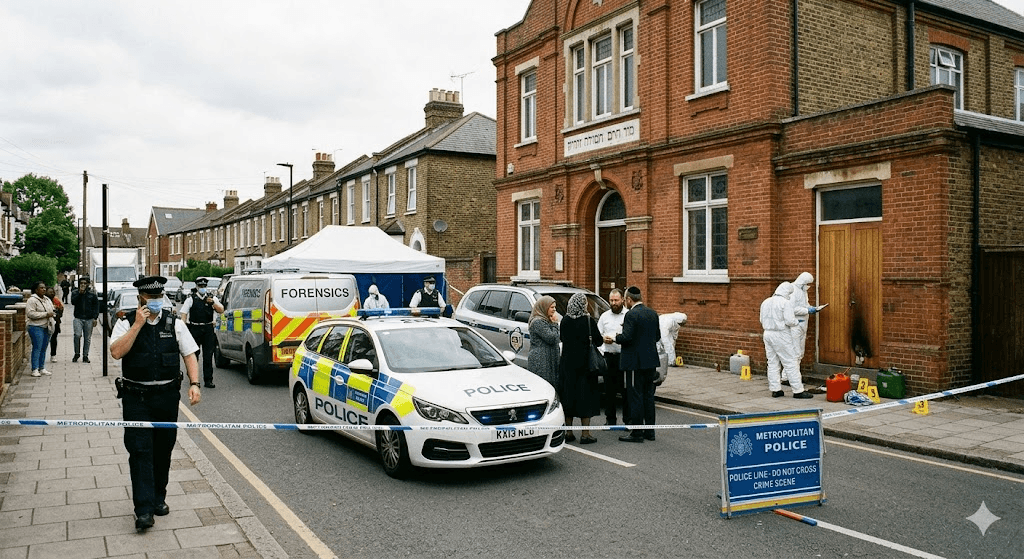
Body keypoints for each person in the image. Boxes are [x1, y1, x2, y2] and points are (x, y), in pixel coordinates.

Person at [110, 275, 201, 532]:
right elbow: (116, 352)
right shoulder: (125, 322)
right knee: (140, 452)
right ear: (141, 298)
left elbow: (189, 353)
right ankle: (144, 510)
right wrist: (137, 325)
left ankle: (158, 498)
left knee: (163, 449)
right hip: (136, 398)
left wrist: (195, 384)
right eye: (151, 298)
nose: (156, 302)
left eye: (159, 297)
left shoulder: (174, 323)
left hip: (166, 397)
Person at [606, 286, 660, 443]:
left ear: (629, 299)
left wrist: (616, 337)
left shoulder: (631, 314)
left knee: (635, 396)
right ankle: (650, 432)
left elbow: (627, 337)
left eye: (625, 300)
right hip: (650, 362)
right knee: (649, 397)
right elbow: (657, 336)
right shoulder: (652, 313)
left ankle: (637, 432)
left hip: (634, 363)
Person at [559, 293, 603, 444]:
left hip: (567, 366)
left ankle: (568, 432)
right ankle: (585, 434)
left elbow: (562, 339)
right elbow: (599, 340)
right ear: (583, 305)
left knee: (568, 398)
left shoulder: (564, 320)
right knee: (586, 398)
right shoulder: (588, 321)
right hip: (586, 367)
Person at [760, 281, 812, 399]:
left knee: (772, 362)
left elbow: (761, 320)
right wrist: (796, 322)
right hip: (781, 334)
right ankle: (798, 390)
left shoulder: (766, 302)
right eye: (789, 293)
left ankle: (775, 389)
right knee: (791, 361)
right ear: (786, 292)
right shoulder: (785, 303)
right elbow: (789, 321)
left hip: (767, 333)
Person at [180, 277, 224, 388]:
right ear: (197, 286)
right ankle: (194, 380)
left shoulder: (211, 298)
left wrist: (213, 303)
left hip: (208, 329)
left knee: (208, 356)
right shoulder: (191, 298)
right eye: (201, 286)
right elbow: (184, 314)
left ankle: (208, 380)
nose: (203, 288)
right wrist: (183, 328)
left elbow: (221, 310)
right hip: (194, 329)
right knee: (194, 355)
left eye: (204, 286)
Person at [597, 288, 627, 425]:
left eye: (616, 300)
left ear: (623, 300)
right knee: (609, 391)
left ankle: (628, 420)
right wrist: (603, 339)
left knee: (625, 391)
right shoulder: (604, 317)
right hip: (609, 357)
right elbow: (598, 335)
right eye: (611, 300)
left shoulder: (628, 315)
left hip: (624, 357)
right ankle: (610, 420)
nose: (614, 303)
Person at [791, 272, 826, 364]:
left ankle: (788, 375)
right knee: (795, 353)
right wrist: (807, 310)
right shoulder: (792, 290)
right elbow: (792, 309)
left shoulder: (803, 291)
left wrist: (812, 308)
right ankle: (789, 376)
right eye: (807, 284)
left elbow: (805, 304)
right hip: (795, 325)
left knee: (800, 352)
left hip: (803, 323)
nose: (807, 286)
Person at [527, 295, 560, 389]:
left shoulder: (546, 320)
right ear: (544, 307)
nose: (554, 310)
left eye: (555, 307)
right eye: (552, 307)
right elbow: (552, 338)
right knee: (544, 386)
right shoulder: (538, 322)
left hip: (549, 357)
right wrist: (554, 324)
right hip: (541, 359)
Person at [26, 281, 56, 377]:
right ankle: (35, 369)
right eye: (41, 288)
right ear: (36, 290)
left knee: (44, 348)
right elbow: (30, 314)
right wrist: (46, 314)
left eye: (44, 288)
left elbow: (51, 310)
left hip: (47, 326)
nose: (44, 289)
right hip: (35, 326)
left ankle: (42, 367)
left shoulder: (47, 299)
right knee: (37, 347)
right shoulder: (32, 300)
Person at [71, 276, 100, 363]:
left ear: (88, 284)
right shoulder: (75, 292)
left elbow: (96, 307)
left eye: (84, 283)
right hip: (78, 318)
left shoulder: (92, 295)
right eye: (81, 283)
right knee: (77, 335)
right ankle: (77, 353)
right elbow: (73, 302)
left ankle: (85, 355)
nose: (83, 285)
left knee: (87, 338)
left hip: (89, 318)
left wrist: (95, 317)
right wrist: (80, 293)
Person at [656, 312, 687, 385]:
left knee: (670, 344)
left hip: (666, 331)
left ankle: (671, 360)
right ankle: (669, 361)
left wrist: (673, 342)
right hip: (660, 329)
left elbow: (674, 334)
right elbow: (665, 338)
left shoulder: (677, 322)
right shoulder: (667, 321)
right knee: (661, 345)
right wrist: (669, 347)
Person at [47, 286, 63, 362]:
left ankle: (53, 355)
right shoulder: (44, 301)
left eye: (52, 292)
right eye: (50, 292)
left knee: (54, 339)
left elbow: (61, 309)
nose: (52, 293)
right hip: (45, 322)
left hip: (55, 322)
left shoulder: (56, 300)